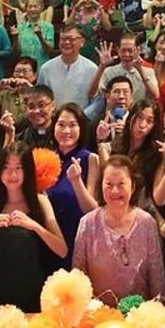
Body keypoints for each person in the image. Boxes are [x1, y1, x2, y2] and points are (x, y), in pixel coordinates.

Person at [0, 142, 65, 311]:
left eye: (19, 168)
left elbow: (62, 250)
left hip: (32, 285)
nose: (12, 174)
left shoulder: (40, 202)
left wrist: (34, 226)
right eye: (6, 167)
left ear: (28, 171)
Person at [73, 155, 165, 306]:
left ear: (133, 186)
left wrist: (158, 312)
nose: (115, 191)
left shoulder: (146, 222)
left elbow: (157, 278)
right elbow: (78, 277)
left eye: (121, 184)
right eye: (109, 184)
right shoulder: (88, 223)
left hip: (138, 315)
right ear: (101, 186)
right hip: (98, 316)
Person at [45, 104, 99, 268]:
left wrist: (76, 182)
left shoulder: (90, 159)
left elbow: (92, 210)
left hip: (77, 236)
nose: (66, 131)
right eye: (61, 125)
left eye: (72, 125)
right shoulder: (45, 158)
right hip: (47, 237)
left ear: (81, 128)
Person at [37, 23, 98, 110]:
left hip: (82, 120)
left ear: (82, 42)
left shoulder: (92, 69)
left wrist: (83, 117)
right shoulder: (46, 68)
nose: (66, 42)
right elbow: (40, 97)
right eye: (63, 39)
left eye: (71, 39)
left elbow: (96, 101)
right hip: (54, 120)